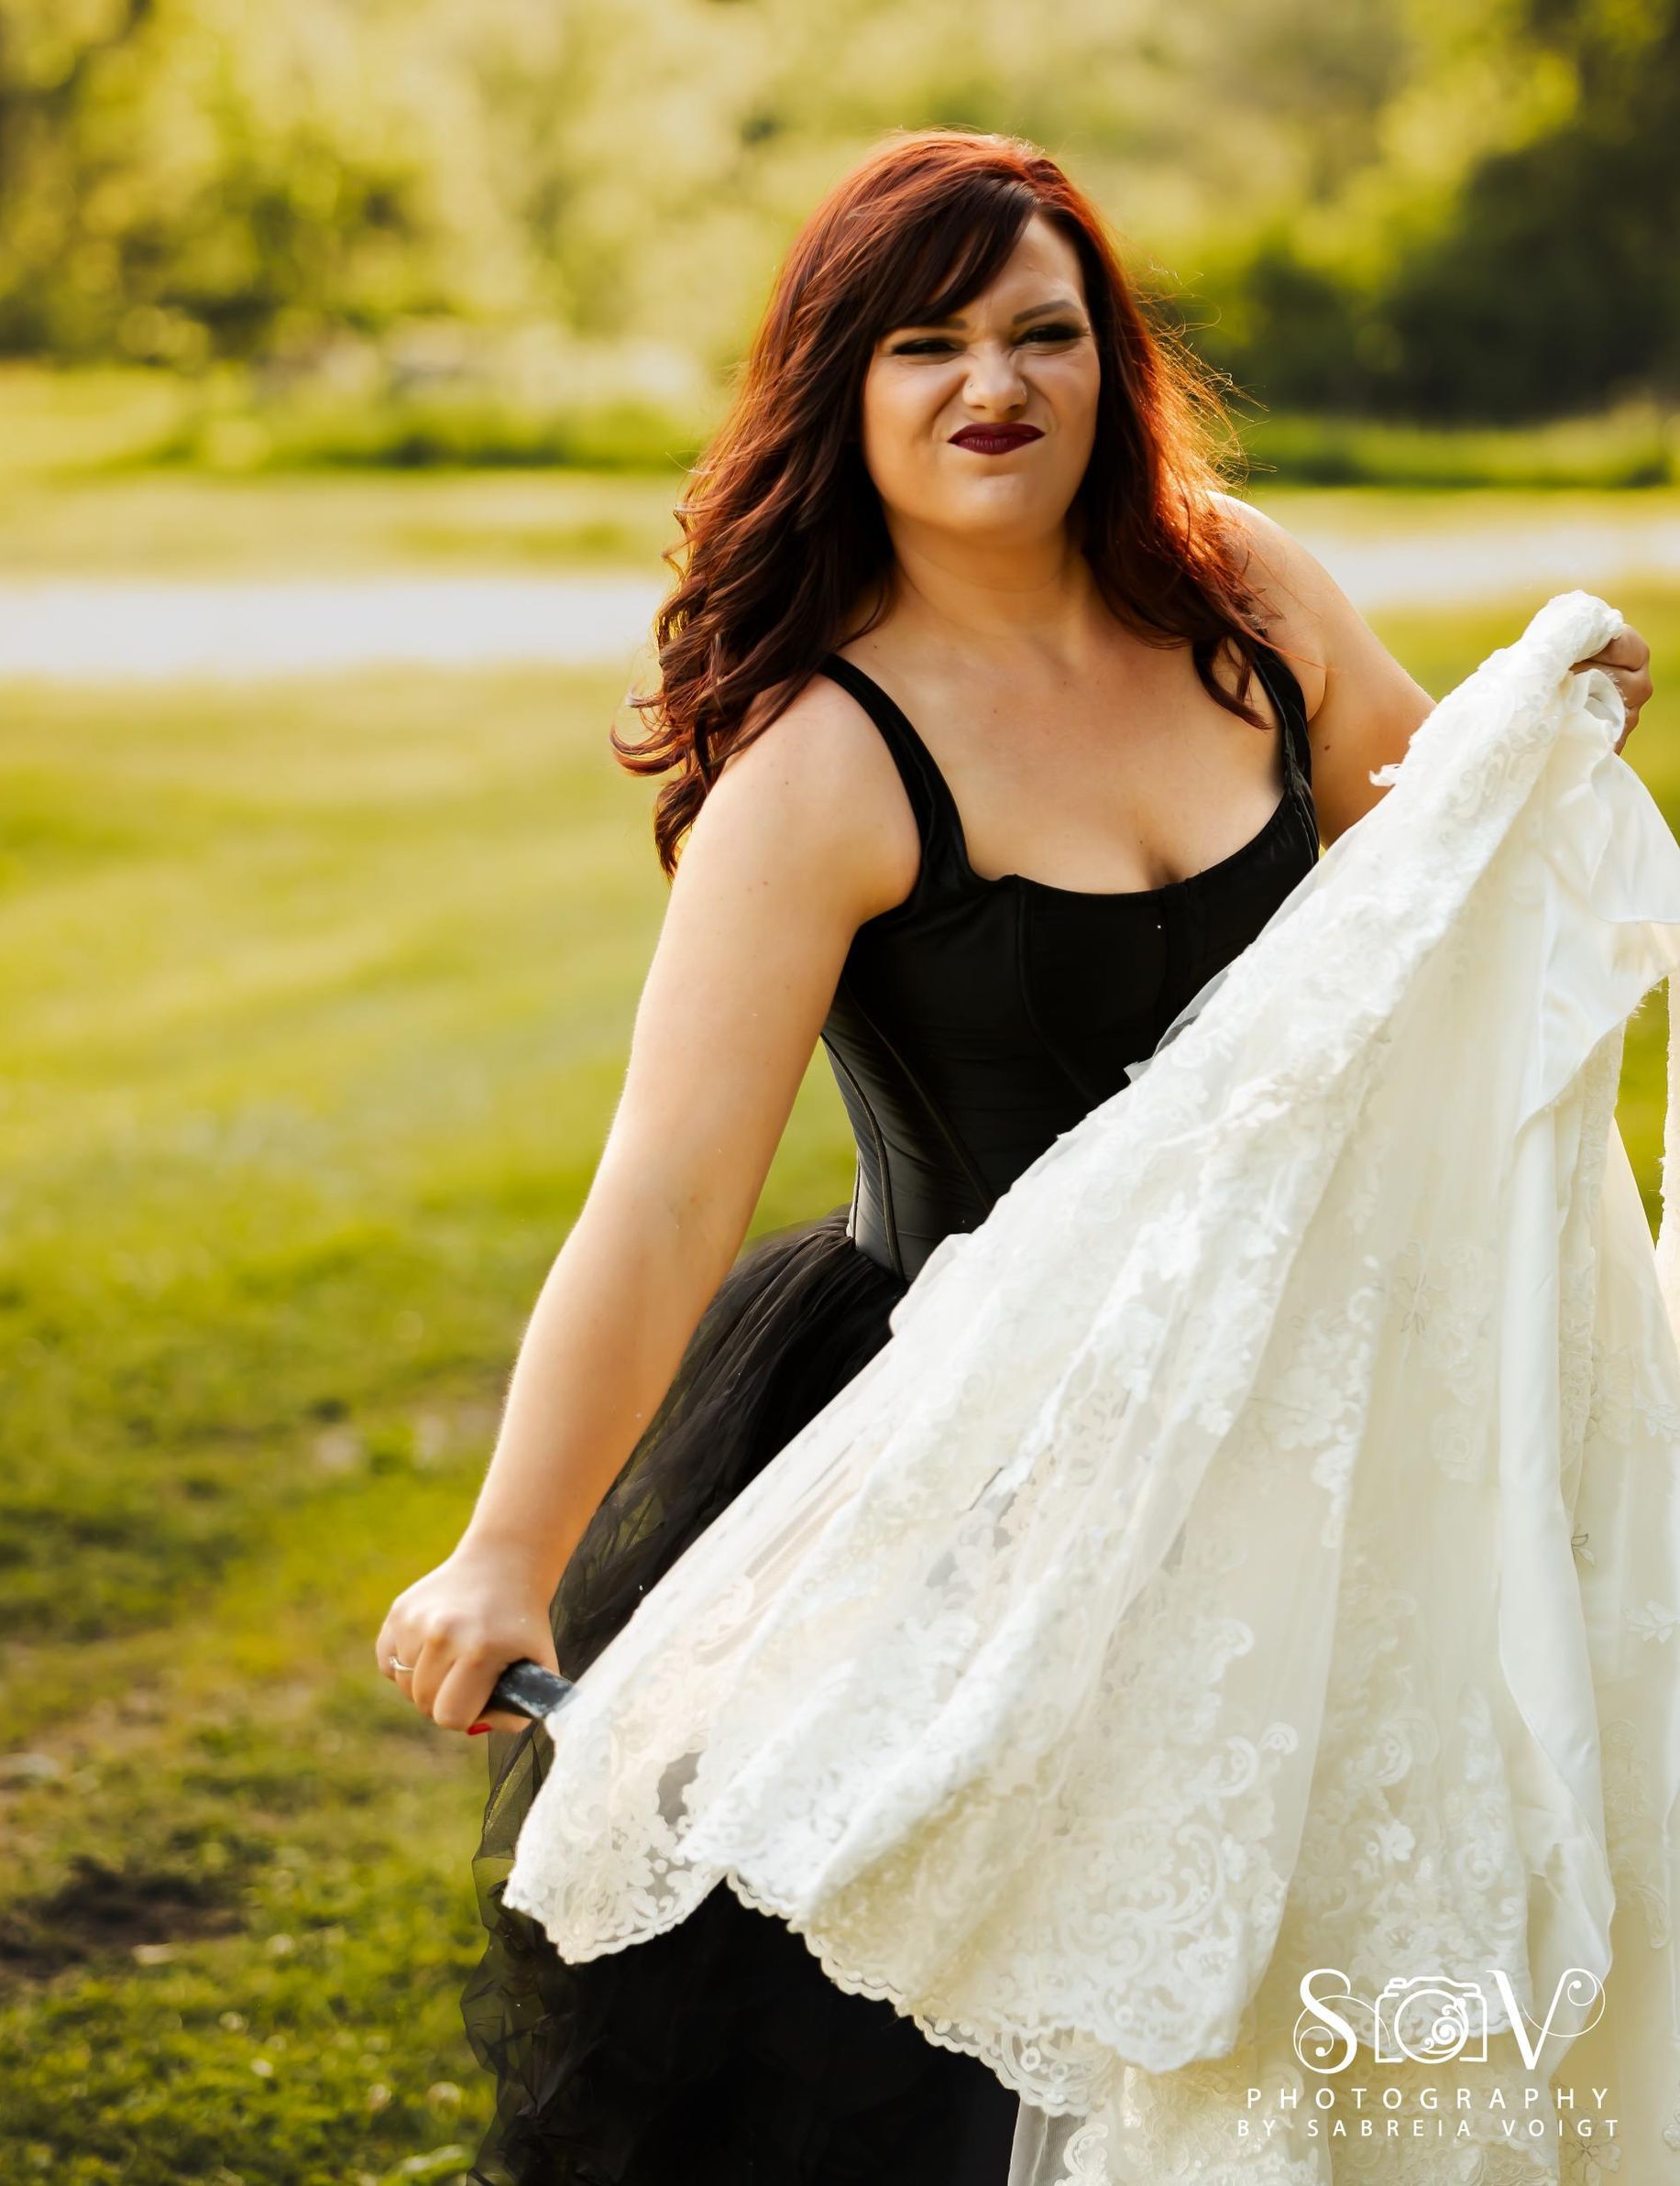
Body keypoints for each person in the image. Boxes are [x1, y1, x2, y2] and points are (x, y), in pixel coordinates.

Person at [372, 127, 1652, 2186]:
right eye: (930, 343)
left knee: (1304, 1949)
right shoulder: (822, 758)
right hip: (974, 1452)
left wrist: (1548, 721)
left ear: (1110, 359)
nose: (1000, 385)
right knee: (971, 2053)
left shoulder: (1233, 592)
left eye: (1047, 332)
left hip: (1297, 1408)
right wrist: (509, 1545)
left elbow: (1444, 855)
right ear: (840, 389)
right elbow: (669, 1187)